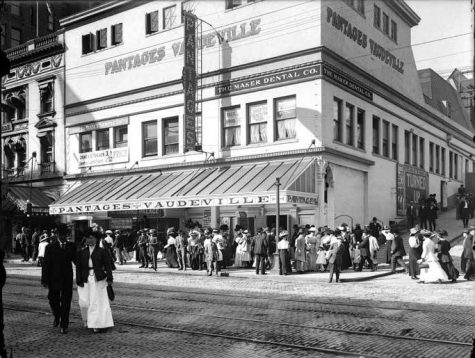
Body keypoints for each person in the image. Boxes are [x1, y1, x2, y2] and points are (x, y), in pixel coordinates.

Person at [76, 229, 114, 333]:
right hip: (85, 278)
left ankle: (97, 324)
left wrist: (110, 278)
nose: (89, 240)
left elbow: (108, 266)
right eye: (88, 238)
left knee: (97, 301)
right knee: (84, 301)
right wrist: (78, 279)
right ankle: (87, 320)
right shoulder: (82, 252)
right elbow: (78, 267)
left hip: (99, 278)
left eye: (92, 238)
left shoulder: (102, 251)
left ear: (96, 239)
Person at [41, 225, 77, 334]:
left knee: (66, 303)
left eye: (64, 235)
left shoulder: (72, 246)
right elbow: (46, 265)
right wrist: (44, 279)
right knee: (53, 301)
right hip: (53, 278)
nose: (62, 237)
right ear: (56, 235)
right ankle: (57, 316)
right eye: (60, 235)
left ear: (67, 235)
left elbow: (77, 261)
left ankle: (64, 325)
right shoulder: (50, 247)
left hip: (67, 279)